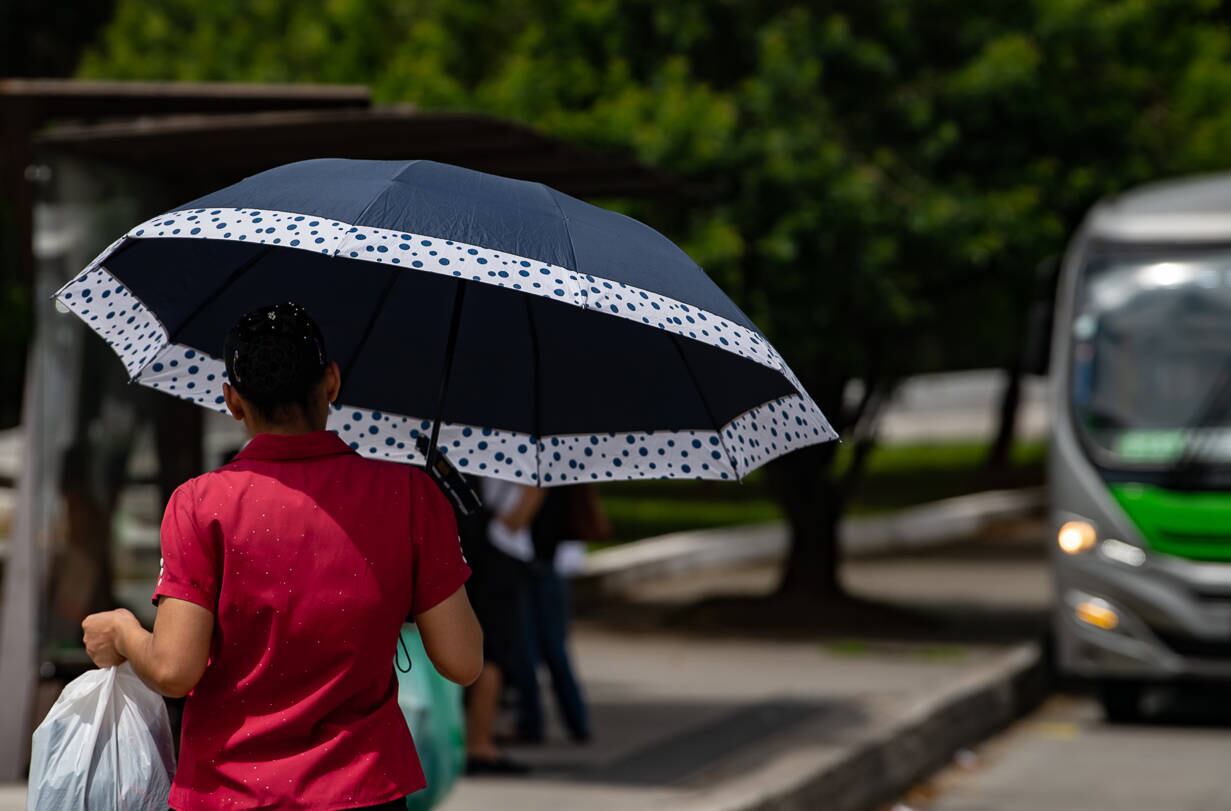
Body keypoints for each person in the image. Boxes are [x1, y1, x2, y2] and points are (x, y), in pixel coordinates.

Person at [81, 302, 483, 811]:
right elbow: (463, 660)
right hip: (364, 791)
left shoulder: (200, 503)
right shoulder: (410, 496)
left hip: (229, 794)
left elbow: (174, 669)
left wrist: (122, 630)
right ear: (331, 381)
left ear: (232, 400)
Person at [457, 479, 541, 775]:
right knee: (494, 653)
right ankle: (480, 744)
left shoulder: (478, 451)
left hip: (477, 547)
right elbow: (522, 512)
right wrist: (510, 521)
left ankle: (469, 738)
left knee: (478, 643)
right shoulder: (528, 457)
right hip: (502, 552)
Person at [512, 485, 604, 744]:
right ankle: (573, 721)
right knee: (551, 648)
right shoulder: (554, 471)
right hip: (549, 560)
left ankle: (536, 722)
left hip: (537, 562)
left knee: (532, 648)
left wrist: (503, 525)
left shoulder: (534, 475)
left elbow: (520, 516)